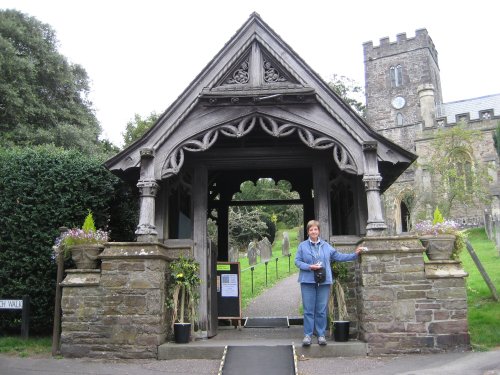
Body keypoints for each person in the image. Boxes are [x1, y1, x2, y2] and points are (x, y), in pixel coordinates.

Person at [295, 219, 364, 346]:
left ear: (319, 231)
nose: (313, 231)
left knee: (321, 310)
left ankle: (321, 335)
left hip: (324, 282)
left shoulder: (326, 246)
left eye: (315, 229)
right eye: (311, 229)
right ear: (308, 232)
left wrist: (354, 255)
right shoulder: (302, 246)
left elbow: (338, 256)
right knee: (308, 310)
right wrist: (310, 266)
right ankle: (308, 335)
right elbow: (297, 262)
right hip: (307, 281)